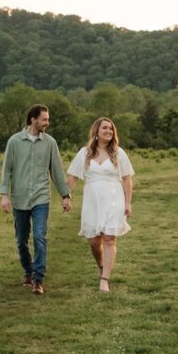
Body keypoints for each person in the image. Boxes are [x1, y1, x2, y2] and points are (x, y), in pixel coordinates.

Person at [0, 104, 71, 295]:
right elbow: (7, 170)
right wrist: (4, 195)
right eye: (44, 119)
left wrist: (65, 195)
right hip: (20, 198)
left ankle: (38, 279)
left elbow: (57, 171)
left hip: (41, 198)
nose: (47, 122)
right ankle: (28, 270)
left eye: (47, 119)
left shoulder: (50, 143)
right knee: (21, 240)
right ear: (33, 119)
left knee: (39, 236)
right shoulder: (14, 142)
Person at [67, 116, 134, 293]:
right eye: (104, 128)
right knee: (94, 241)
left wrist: (128, 203)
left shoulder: (118, 153)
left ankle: (105, 280)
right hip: (92, 200)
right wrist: (66, 196)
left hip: (113, 198)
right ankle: (101, 264)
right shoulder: (84, 153)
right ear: (96, 131)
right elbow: (73, 177)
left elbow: (127, 179)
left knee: (109, 238)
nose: (108, 131)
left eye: (111, 129)